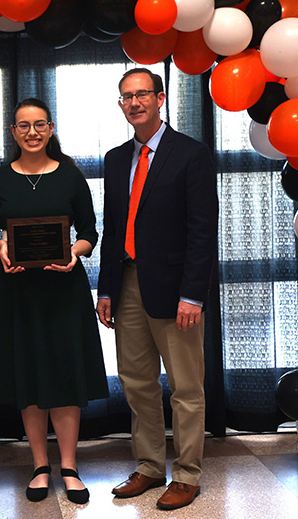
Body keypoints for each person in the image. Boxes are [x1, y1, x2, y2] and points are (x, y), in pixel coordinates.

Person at [0, 98, 109, 505]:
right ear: (13, 132)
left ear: (51, 128)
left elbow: (90, 232)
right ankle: (39, 465)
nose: (31, 132)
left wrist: (76, 251)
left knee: (65, 376)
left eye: (39, 125)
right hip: (16, 292)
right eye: (23, 126)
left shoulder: (71, 177)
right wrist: (0, 246)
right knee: (28, 377)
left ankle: (68, 466)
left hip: (63, 290)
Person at [97, 68, 218, 510]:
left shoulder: (191, 154)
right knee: (136, 382)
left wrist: (193, 294)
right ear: (121, 104)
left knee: (186, 387)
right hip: (126, 282)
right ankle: (149, 467)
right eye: (127, 96)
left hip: (174, 289)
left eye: (142, 94)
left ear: (160, 98)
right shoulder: (114, 159)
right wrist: (106, 288)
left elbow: (203, 230)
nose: (135, 102)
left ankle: (187, 475)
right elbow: (114, 229)